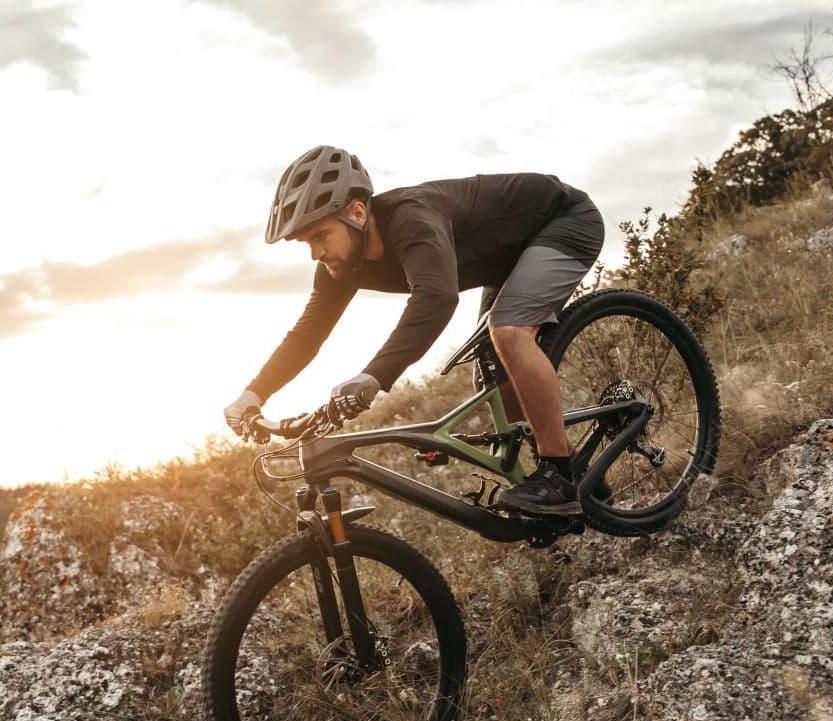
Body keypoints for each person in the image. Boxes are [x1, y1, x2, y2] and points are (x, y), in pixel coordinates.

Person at [224, 145, 604, 517]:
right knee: (494, 382)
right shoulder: (339, 267)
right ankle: (586, 477)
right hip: (507, 260)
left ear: (357, 212)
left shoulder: (410, 219)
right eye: (307, 242)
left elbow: (437, 298)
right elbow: (308, 333)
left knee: (509, 332)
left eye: (320, 235)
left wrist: (373, 376)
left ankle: (558, 480)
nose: (315, 253)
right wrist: (254, 393)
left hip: (564, 220)